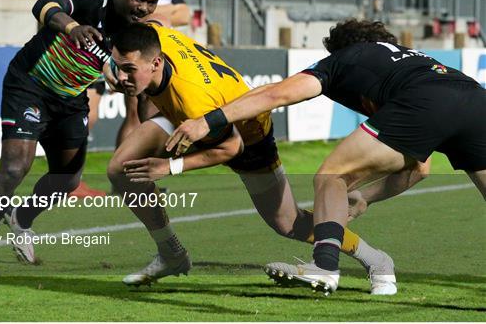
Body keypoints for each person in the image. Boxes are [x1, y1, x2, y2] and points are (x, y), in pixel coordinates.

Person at [166, 18, 486, 294]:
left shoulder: (346, 57)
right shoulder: (415, 61)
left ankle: (324, 267)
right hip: (476, 100)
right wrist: (368, 198)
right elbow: (419, 168)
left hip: (427, 103)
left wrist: (208, 121)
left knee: (332, 175)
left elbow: (277, 93)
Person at [105, 21, 398, 295]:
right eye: (118, 67)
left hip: (248, 136)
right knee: (120, 169)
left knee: (288, 223)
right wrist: (112, 66)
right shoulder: (153, 35)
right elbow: (152, 23)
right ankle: (171, 253)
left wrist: (169, 166)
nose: (121, 77)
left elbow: (231, 148)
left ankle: (376, 259)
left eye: (128, 69)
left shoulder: (194, 98)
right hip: (190, 117)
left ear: (156, 63)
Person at [0, 0, 163, 276]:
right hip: (30, 84)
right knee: (15, 168)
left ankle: (21, 218)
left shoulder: (137, 30)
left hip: (71, 97)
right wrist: (72, 27)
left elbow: (134, 73)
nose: (144, 7)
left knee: (67, 179)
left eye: (151, 2)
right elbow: (44, 5)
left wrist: (119, 77)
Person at [116, 0, 192, 147]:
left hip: (163, 48)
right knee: (133, 112)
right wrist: (167, 11)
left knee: (156, 114)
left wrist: (153, 12)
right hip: (136, 47)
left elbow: (185, 14)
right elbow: (130, 12)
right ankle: (120, 176)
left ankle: (142, 174)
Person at [59, 0, 108, 197]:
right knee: (80, 119)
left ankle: (72, 179)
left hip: (96, 61)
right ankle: (70, 183)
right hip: (77, 60)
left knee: (91, 118)